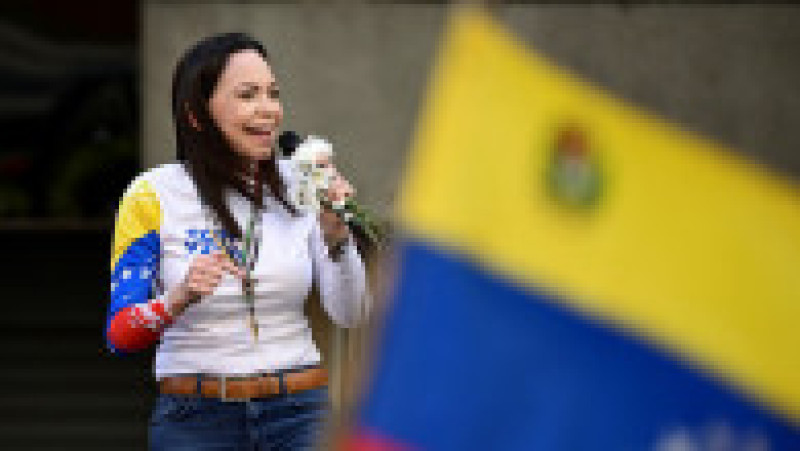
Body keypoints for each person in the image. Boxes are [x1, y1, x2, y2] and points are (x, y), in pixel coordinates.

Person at [104, 32, 368, 450]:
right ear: (196, 115)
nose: (269, 110)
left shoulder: (303, 183)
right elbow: (119, 334)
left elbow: (351, 314)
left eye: (273, 93)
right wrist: (179, 297)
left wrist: (337, 236)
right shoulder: (151, 194)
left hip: (300, 413)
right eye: (248, 95)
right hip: (195, 420)